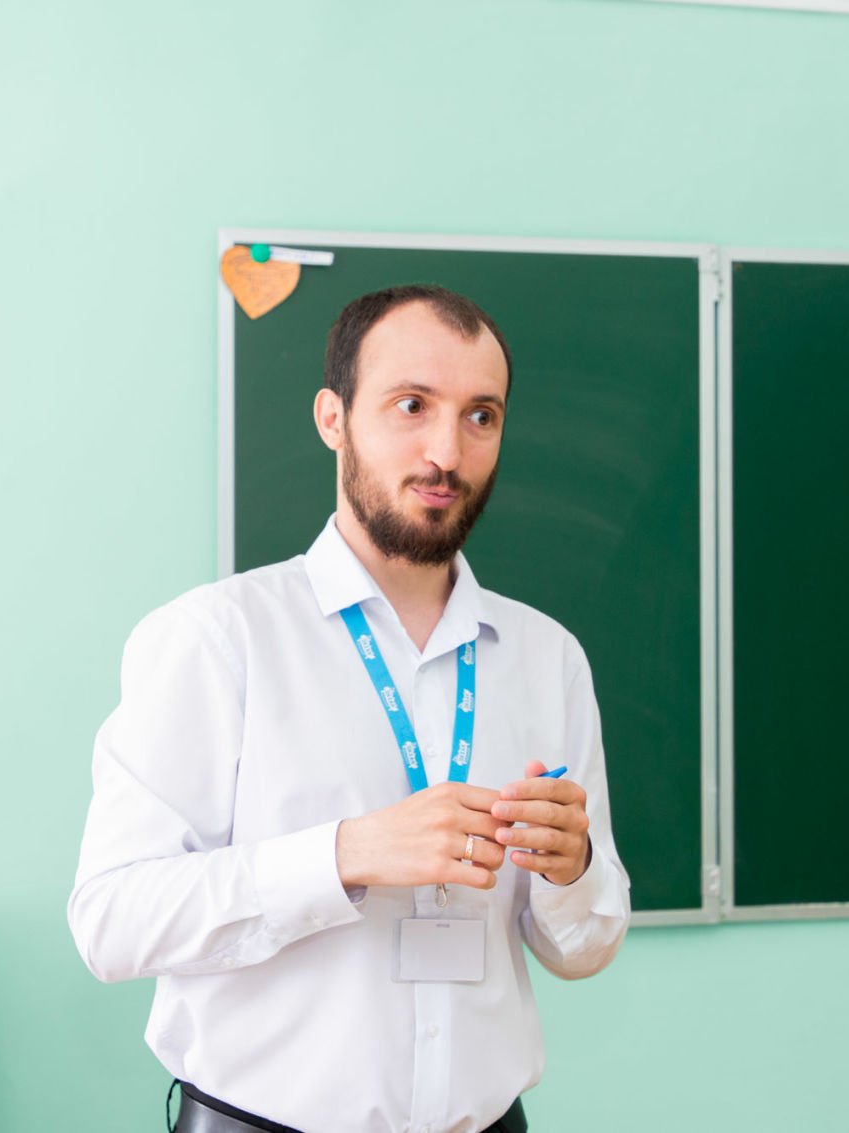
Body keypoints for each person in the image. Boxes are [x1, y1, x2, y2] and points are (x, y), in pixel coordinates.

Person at [68, 284, 630, 1133]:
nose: (446, 451)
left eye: (481, 416)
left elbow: (584, 948)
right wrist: (346, 853)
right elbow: (111, 922)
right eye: (412, 405)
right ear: (333, 418)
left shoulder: (548, 657)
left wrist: (572, 867)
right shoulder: (216, 639)